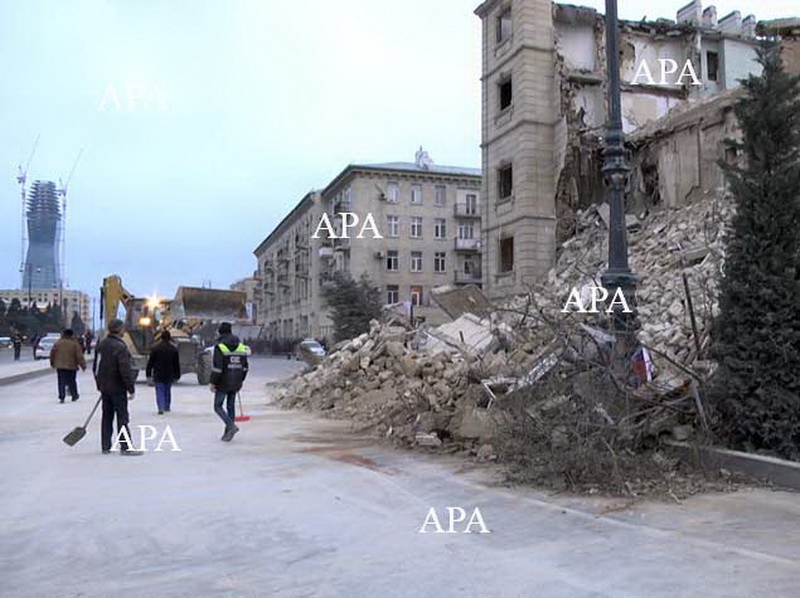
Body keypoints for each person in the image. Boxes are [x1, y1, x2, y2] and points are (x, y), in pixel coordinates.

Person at [93, 319, 141, 456]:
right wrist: (130, 388)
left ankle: (105, 446)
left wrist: (100, 384)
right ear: (119, 330)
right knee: (122, 418)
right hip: (118, 388)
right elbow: (125, 370)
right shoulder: (120, 347)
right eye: (123, 328)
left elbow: (96, 368)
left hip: (105, 388)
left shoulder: (101, 345)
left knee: (106, 417)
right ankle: (125, 447)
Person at [210, 322, 249, 442]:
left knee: (217, 406)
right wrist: (241, 379)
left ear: (220, 332)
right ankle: (228, 433)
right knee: (230, 406)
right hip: (236, 381)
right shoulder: (241, 346)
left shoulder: (220, 346)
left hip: (223, 381)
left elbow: (218, 367)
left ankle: (231, 426)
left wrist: (213, 382)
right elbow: (245, 366)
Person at [145, 330, 181, 415]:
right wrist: (177, 375)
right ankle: (167, 406)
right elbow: (176, 364)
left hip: (158, 373)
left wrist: (148, 373)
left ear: (161, 337)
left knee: (160, 391)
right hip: (169, 374)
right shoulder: (173, 349)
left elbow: (150, 362)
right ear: (169, 338)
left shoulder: (155, 348)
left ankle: (160, 407)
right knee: (167, 390)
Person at [49, 328, 86, 403]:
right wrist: (83, 365)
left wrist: (52, 363)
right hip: (71, 366)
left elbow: (52, 354)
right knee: (72, 381)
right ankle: (74, 395)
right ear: (71, 335)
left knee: (61, 381)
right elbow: (79, 356)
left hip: (60, 366)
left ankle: (62, 397)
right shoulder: (74, 344)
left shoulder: (58, 343)